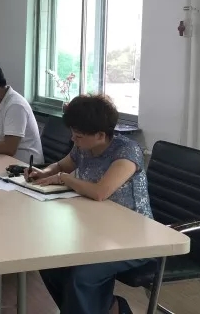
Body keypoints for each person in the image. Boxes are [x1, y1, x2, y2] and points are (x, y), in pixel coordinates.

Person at [27, 95, 152, 314]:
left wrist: (64, 179)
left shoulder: (126, 152)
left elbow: (100, 192)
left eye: (78, 136)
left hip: (132, 239)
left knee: (82, 276)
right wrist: (43, 172)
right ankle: (112, 308)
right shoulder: (84, 146)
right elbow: (61, 165)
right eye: (73, 133)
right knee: (50, 265)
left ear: (100, 135)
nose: (73, 139)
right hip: (97, 230)